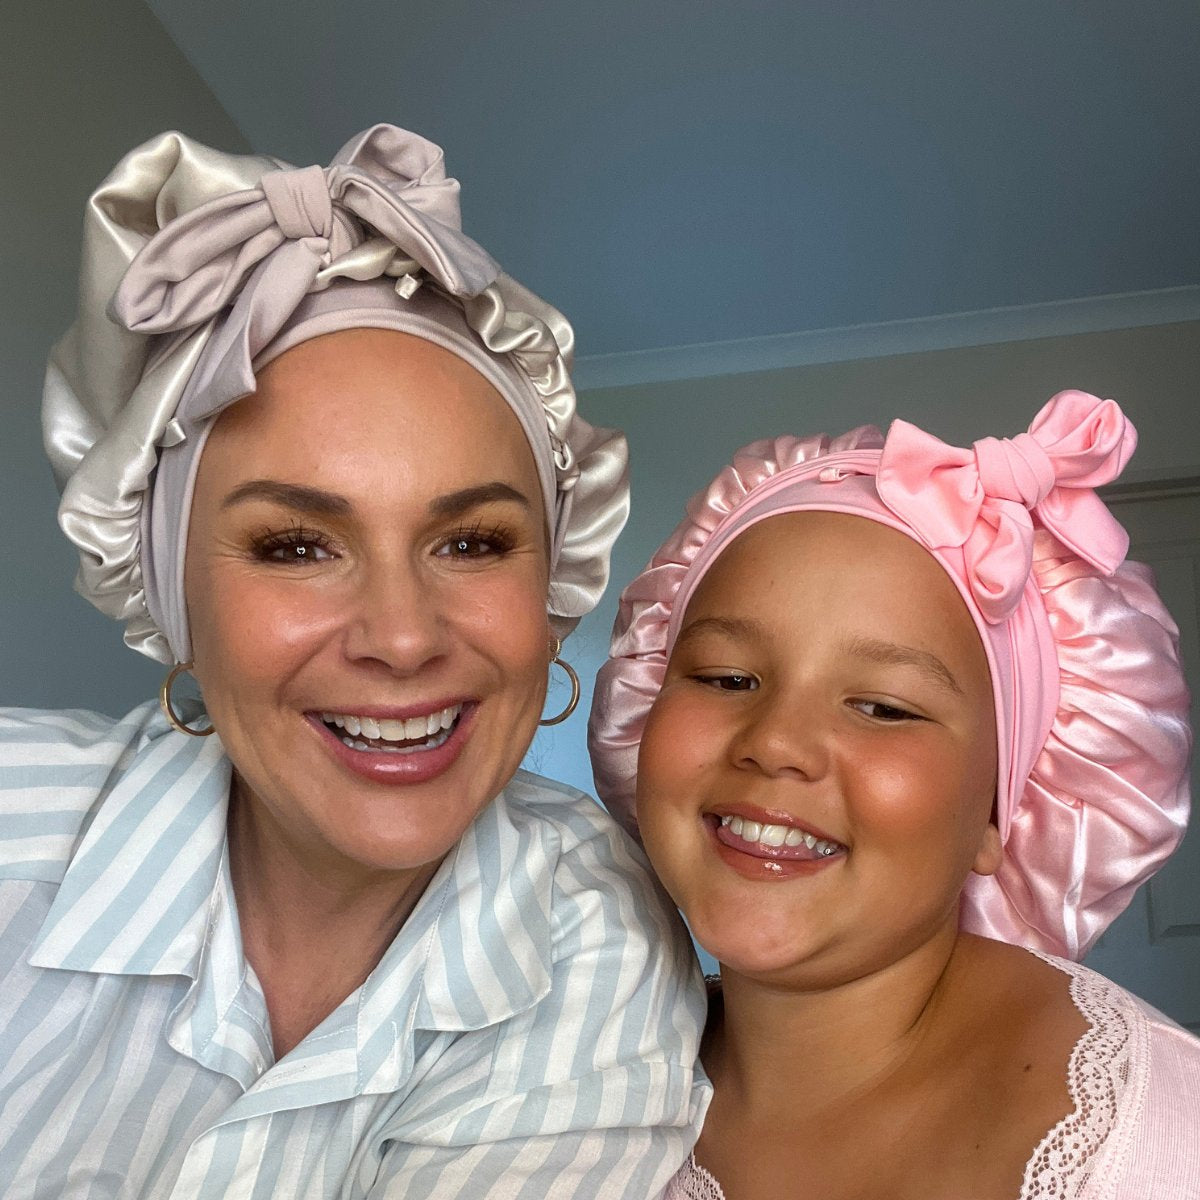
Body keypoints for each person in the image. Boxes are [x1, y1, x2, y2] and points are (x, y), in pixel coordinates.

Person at [0, 124, 708, 1198]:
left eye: (472, 543)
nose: (404, 635)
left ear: (554, 594)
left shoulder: (592, 941)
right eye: (297, 546)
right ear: (171, 598)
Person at [589, 391, 1200, 1199]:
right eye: (726, 677)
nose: (774, 741)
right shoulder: (570, 1073)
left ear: (999, 811)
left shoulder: (1158, 1141)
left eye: (883, 707)